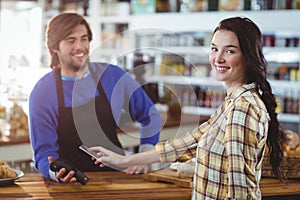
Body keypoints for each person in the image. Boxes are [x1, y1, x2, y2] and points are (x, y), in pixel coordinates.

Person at [90, 17, 286, 199]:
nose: (218, 58)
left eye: (230, 51)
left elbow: (239, 189)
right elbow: (186, 145)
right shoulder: (232, 104)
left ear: (248, 57)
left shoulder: (242, 109)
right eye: (214, 49)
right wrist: (123, 160)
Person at [29, 12, 162, 183]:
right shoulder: (42, 92)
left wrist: (144, 156)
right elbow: (43, 153)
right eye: (71, 40)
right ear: (55, 47)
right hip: (71, 185)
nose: (80, 46)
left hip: (119, 178)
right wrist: (55, 173)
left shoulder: (112, 76)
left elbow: (150, 115)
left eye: (84, 39)